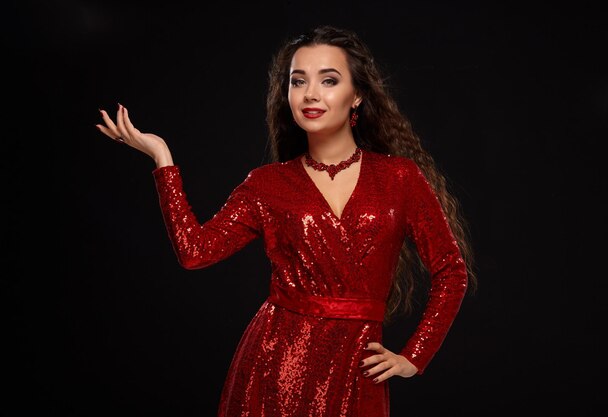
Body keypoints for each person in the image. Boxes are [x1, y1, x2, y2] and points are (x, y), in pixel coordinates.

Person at [95, 25, 476, 417]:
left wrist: (414, 355)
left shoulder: (400, 177)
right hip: (275, 364)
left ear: (357, 95)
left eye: (328, 80)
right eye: (298, 81)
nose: (310, 93)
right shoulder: (267, 184)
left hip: (355, 369)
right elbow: (195, 252)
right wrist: (163, 159)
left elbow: (451, 271)